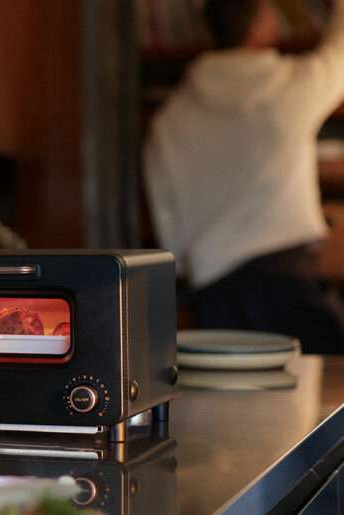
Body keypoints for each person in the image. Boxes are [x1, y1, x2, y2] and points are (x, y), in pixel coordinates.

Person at [144, 0, 344, 353]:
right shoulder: (291, 86)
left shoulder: (169, 120)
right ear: (259, 28)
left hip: (212, 299)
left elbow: (168, 231)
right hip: (287, 285)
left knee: (225, 407)